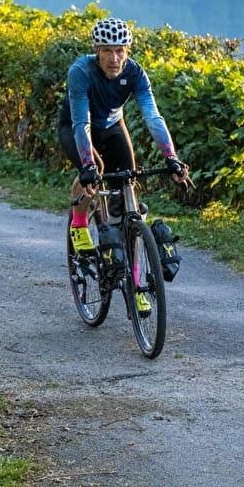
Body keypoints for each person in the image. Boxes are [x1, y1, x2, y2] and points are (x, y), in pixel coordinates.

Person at [59, 17, 190, 309]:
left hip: (113, 125)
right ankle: (79, 223)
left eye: (120, 50)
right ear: (97, 50)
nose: (114, 58)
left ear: (127, 50)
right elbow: (82, 122)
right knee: (94, 171)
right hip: (77, 126)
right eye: (107, 50)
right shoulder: (81, 71)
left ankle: (136, 285)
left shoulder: (135, 74)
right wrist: (88, 166)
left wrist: (171, 157)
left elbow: (153, 117)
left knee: (129, 190)